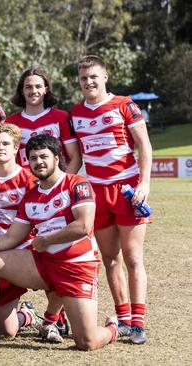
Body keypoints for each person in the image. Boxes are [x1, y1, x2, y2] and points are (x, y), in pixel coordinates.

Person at [0, 134, 118, 350]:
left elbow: (84, 226)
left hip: (77, 267)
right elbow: (11, 237)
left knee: (87, 342)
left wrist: (46, 239)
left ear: (57, 158)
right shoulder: (31, 197)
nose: (38, 162)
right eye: (33, 158)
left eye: (43, 157)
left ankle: (114, 327)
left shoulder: (77, 183)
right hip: (44, 264)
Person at [69, 55, 153, 344]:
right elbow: (76, 157)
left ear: (105, 76)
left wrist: (144, 183)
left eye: (94, 76)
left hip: (127, 190)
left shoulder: (124, 104)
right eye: (83, 78)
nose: (89, 82)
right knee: (110, 259)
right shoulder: (76, 113)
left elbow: (144, 146)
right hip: (96, 194)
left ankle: (139, 323)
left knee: (132, 258)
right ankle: (125, 318)